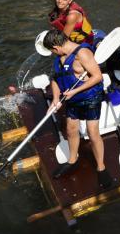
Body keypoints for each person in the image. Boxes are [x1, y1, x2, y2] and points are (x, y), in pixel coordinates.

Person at [43, 29, 111, 187]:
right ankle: (72, 160)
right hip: (71, 98)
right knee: (71, 129)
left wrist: (75, 91)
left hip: (90, 97)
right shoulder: (60, 57)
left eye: (52, 51)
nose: (54, 54)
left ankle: (101, 167)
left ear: (56, 47)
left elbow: (97, 77)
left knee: (92, 132)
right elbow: (55, 78)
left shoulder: (83, 53)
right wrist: (55, 98)